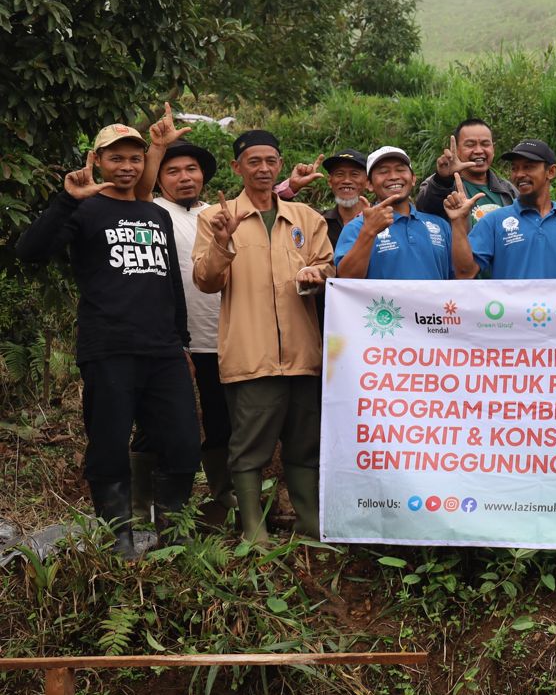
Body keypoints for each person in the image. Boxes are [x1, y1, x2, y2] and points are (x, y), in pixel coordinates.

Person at [15, 124, 201, 558]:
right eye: (116, 158)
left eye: (135, 158)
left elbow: (172, 283)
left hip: (163, 350)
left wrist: (184, 343)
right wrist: (66, 200)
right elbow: (30, 252)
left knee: (183, 441)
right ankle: (119, 536)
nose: (127, 166)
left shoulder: (156, 214)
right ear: (97, 160)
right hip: (109, 346)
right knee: (110, 440)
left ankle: (172, 534)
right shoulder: (84, 210)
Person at [192, 130, 334, 542]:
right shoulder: (216, 218)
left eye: (271, 161)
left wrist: (318, 275)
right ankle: (253, 531)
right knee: (249, 448)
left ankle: (310, 527)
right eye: (253, 161)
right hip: (250, 355)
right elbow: (205, 280)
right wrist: (222, 243)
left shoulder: (306, 218)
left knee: (304, 446)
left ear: (279, 164)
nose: (264, 169)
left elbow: (329, 268)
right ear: (237, 167)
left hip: (303, 353)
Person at [131, 135, 233, 526]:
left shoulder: (216, 213)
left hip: (219, 336)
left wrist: (289, 186)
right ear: (159, 180)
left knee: (219, 419)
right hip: (170, 341)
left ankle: (219, 501)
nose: (185, 177)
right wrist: (155, 149)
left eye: (192, 169)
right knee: (156, 423)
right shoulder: (151, 211)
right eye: (172, 171)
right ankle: (142, 510)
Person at [335, 147, 479, 280]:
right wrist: (368, 232)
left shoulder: (440, 225)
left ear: (413, 179)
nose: (393, 176)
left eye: (400, 169)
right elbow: (346, 280)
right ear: (369, 184)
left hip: (435, 308)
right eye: (383, 171)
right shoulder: (356, 227)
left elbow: (465, 275)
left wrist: (459, 221)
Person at [461, 140, 556, 280]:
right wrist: (458, 221)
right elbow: (464, 273)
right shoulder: (493, 221)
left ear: (551, 171)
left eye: (528, 167)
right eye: (514, 168)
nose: (519, 174)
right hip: (508, 303)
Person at [416, 118, 516, 221]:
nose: (478, 151)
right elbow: (423, 210)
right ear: (457, 150)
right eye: (470, 145)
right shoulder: (438, 184)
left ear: (493, 149)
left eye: (485, 144)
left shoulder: (508, 190)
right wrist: (443, 180)